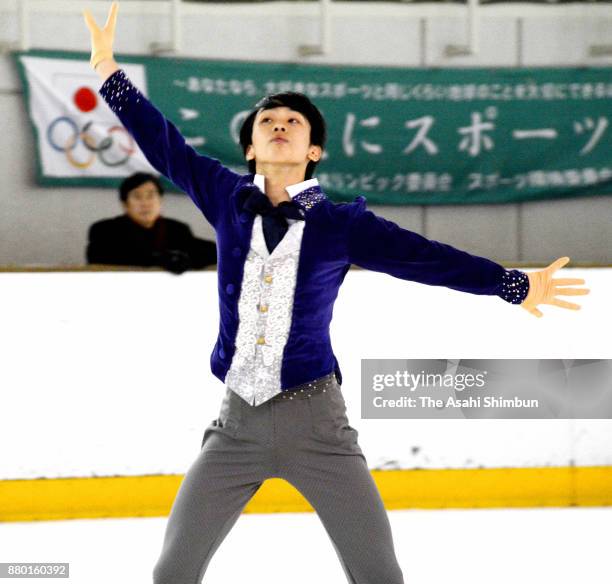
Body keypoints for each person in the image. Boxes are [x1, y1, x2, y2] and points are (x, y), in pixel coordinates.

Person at [83, 4, 590, 583]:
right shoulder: (223, 196)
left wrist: (513, 285)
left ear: (314, 150)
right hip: (235, 424)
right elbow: (163, 143)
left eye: (293, 123)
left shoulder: (343, 225)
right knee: (171, 573)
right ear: (249, 146)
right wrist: (107, 67)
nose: (279, 124)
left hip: (317, 421)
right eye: (267, 121)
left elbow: (427, 258)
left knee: (378, 574)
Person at [86, 171, 217, 274]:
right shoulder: (105, 230)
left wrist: (186, 260)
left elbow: (208, 252)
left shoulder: (177, 229)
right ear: (125, 204)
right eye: (137, 197)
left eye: (150, 196)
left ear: (160, 201)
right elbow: (99, 257)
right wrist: (159, 259)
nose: (145, 203)